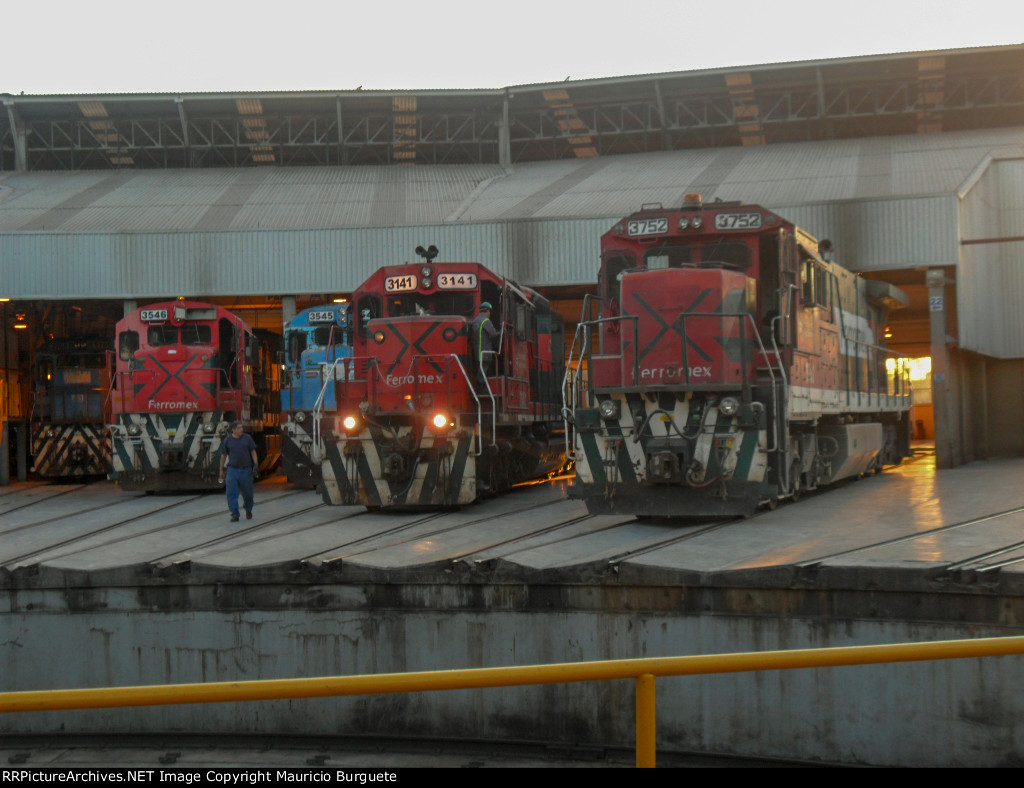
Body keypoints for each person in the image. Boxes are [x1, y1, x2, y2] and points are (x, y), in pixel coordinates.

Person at [218, 421, 259, 522]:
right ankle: (235, 514)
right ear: (233, 430)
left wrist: (256, 464)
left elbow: (253, 451)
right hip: (233, 470)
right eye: (239, 428)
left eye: (242, 427)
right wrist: (221, 469)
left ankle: (248, 509)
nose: (242, 429)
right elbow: (223, 455)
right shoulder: (227, 440)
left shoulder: (247, 438)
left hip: (246, 469)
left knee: (248, 493)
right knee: (231, 493)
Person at [470, 301, 498, 389]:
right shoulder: (486, 321)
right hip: (485, 350)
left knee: (482, 367)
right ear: (488, 311)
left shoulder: (475, 321)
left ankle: (484, 383)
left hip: (476, 350)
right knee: (483, 368)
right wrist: (501, 332)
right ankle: (481, 384)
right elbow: (493, 334)